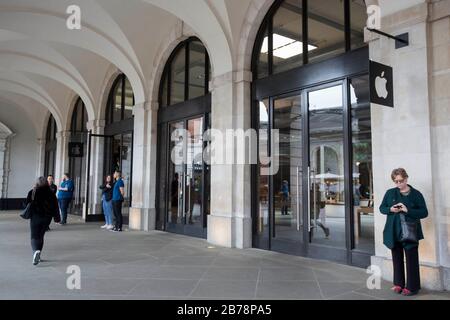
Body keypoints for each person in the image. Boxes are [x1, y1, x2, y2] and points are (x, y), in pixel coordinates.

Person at [379, 168, 428, 296]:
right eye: (396, 181)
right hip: (393, 231)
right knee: (397, 258)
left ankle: (412, 287)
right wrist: (390, 209)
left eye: (401, 180)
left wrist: (408, 210)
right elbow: (381, 208)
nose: (399, 184)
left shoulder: (416, 194)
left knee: (411, 259)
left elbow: (424, 212)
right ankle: (398, 284)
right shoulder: (390, 193)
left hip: (410, 231)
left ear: (406, 178)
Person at [26, 176, 61, 265]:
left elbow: (26, 204)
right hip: (47, 218)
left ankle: (35, 252)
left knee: (34, 236)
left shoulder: (32, 192)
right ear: (46, 183)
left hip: (35, 217)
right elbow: (55, 206)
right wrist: (57, 218)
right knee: (41, 235)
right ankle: (39, 254)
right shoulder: (51, 193)